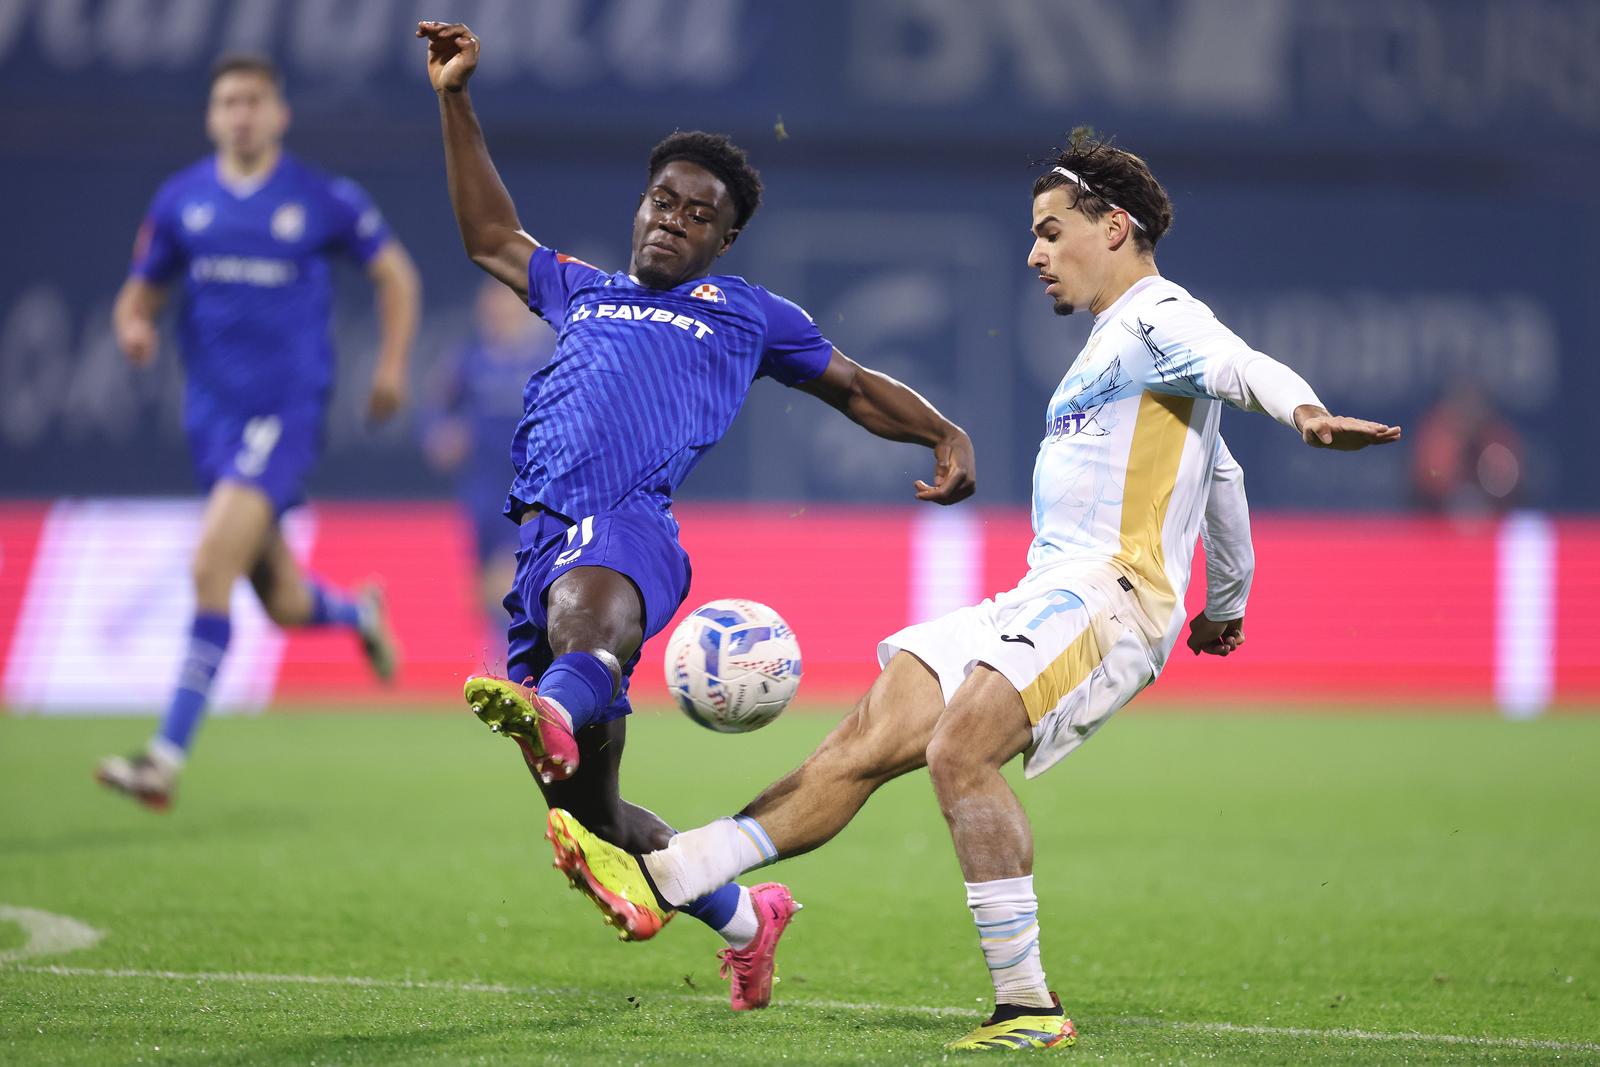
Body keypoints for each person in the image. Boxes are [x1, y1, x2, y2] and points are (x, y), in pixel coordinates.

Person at [546, 129, 1402, 1050]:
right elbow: (1220, 474)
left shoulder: (1161, 317)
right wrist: (1227, 604)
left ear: (1114, 228)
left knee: (960, 749)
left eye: (1049, 231)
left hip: (1109, 599)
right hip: (1043, 592)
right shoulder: (1112, 349)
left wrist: (1307, 413)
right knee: (869, 733)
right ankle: (681, 870)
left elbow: (1242, 369)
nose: (1033, 254)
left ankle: (1028, 1006)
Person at [414, 20, 977, 1012]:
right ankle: (745, 916)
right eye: (661, 201)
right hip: (539, 548)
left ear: (722, 237)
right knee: (589, 811)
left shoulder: (742, 311)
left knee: (591, 623)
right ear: (641, 209)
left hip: (626, 526)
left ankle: (557, 704)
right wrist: (455, 97)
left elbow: (850, 385)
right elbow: (488, 237)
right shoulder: (581, 290)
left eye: (697, 213)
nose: (672, 220)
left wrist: (939, 431)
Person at [95, 54, 421, 811]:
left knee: (210, 562)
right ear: (212, 117)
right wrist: (133, 326)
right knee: (278, 599)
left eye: (253, 101)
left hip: (286, 413)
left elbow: (396, 275)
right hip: (212, 422)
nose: (241, 113)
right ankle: (357, 612)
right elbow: (136, 294)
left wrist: (393, 367)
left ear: (279, 115)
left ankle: (163, 757)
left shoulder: (319, 198)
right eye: (228, 102)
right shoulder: (183, 202)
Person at [420, 277, 556, 664]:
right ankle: (518, 655)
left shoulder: (543, 359)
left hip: (530, 491)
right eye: (490, 303)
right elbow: (435, 405)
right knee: (483, 591)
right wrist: (439, 433)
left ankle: (515, 664)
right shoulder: (469, 361)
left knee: (508, 580)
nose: (496, 311)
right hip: (481, 492)